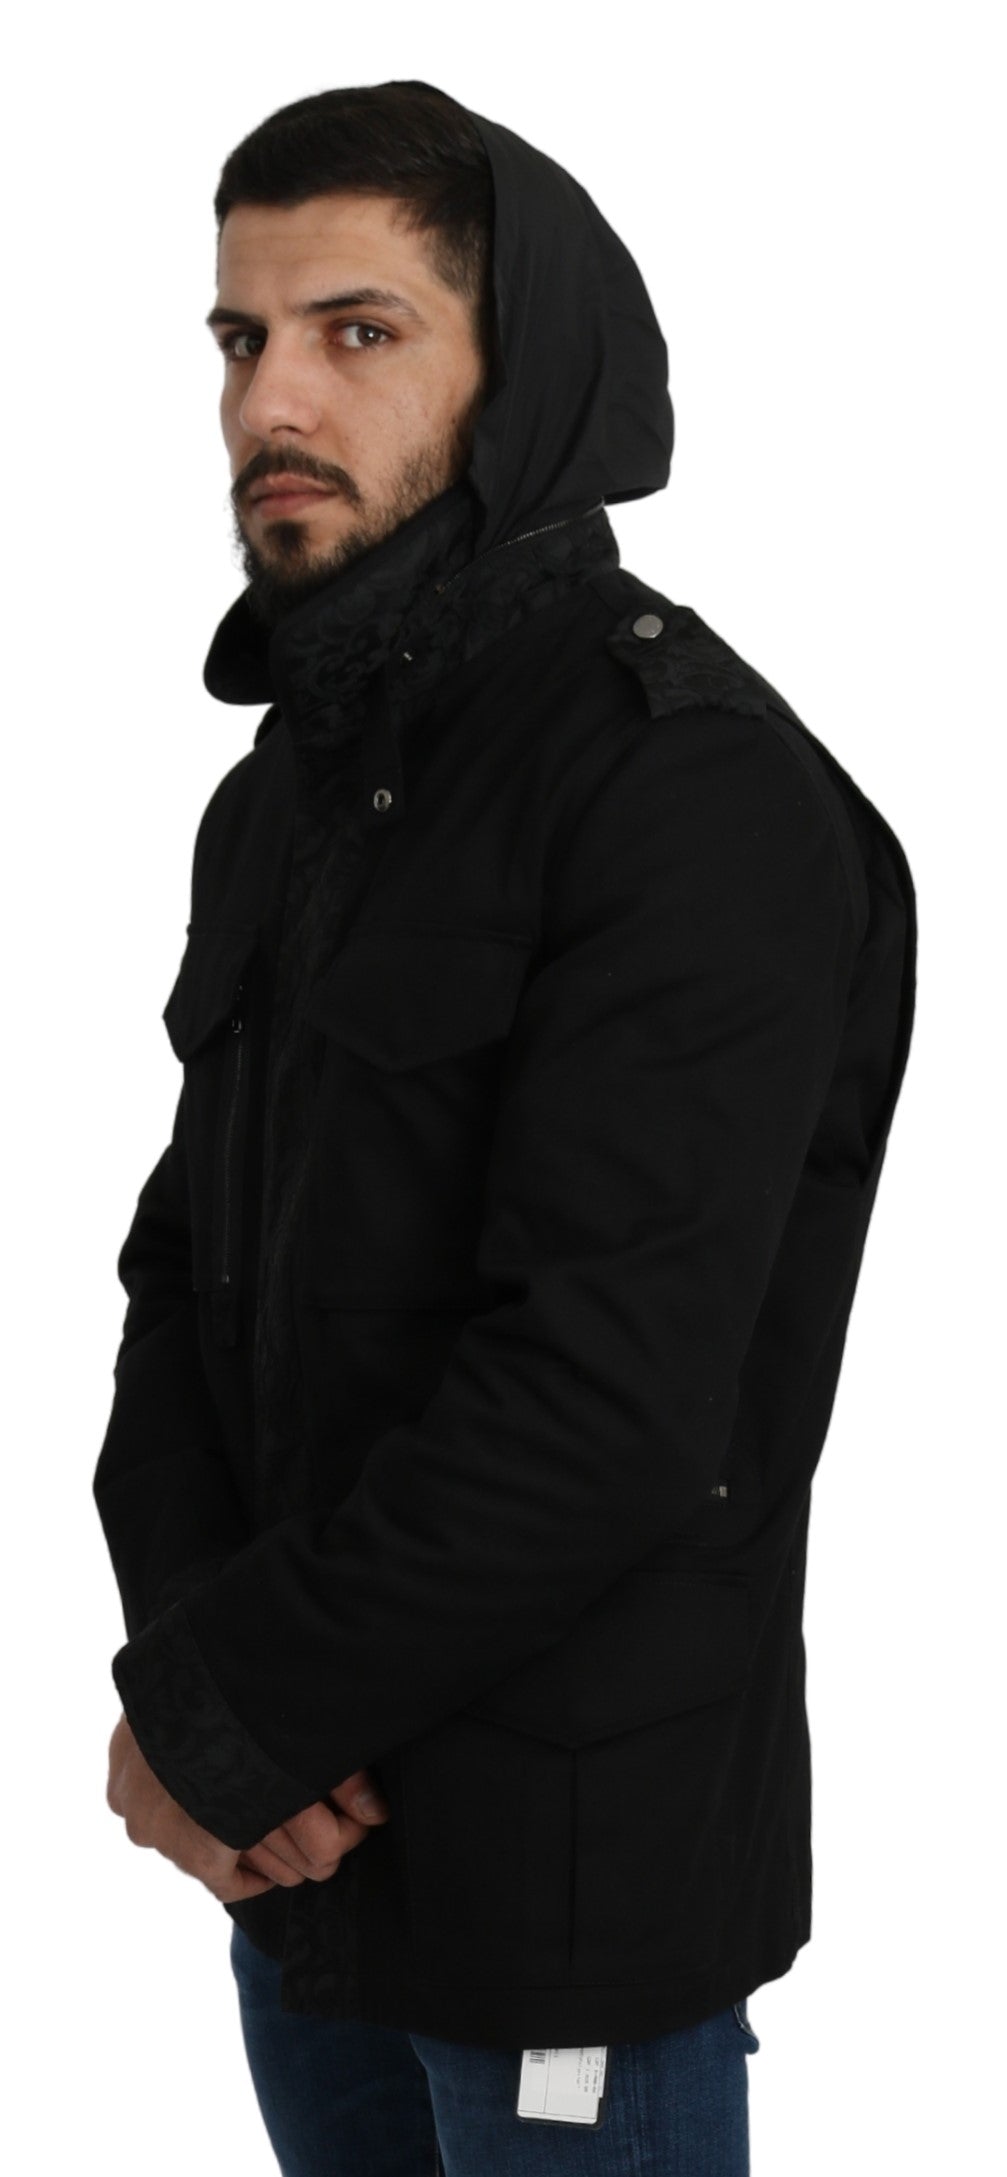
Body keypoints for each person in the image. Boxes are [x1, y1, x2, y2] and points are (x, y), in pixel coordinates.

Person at [93, 78, 917, 2177]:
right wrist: (210, 1698)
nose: (271, 398)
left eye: (356, 330)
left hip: (565, 1901)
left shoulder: (689, 792)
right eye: (241, 337)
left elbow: (607, 1403)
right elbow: (185, 1280)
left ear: (523, 371)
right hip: (305, 1868)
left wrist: (230, 1717)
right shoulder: (281, 801)